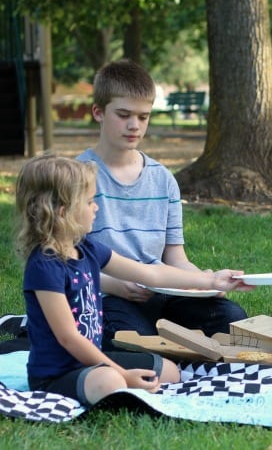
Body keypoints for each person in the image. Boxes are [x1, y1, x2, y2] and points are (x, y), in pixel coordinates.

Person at [15, 154, 253, 406]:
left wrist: (211, 281)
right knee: (110, 382)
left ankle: (119, 382)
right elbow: (68, 338)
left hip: (93, 360)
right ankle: (119, 386)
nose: (96, 207)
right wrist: (122, 373)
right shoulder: (44, 266)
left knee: (169, 371)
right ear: (63, 212)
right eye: (88, 202)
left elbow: (150, 273)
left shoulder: (86, 248)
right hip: (56, 374)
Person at [76, 60, 248, 350]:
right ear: (98, 112)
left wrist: (205, 283)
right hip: (106, 292)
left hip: (162, 289)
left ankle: (168, 347)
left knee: (233, 320)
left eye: (144, 117)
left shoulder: (163, 178)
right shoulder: (78, 176)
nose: (134, 125)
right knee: (133, 339)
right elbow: (68, 263)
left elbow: (175, 258)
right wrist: (115, 285)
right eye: (124, 115)